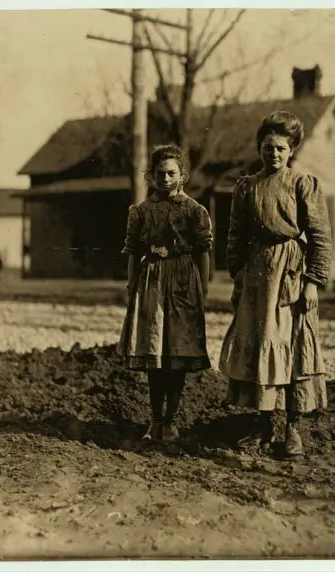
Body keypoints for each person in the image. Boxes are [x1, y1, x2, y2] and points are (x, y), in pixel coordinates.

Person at [218, 110, 333, 457]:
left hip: (291, 276)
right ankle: (266, 426)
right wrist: (237, 277)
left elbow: (320, 237)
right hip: (256, 276)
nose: (274, 153)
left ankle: (293, 429)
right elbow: (235, 236)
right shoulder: (247, 187)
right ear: (259, 147)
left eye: (281, 148)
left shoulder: (302, 184)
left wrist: (313, 282)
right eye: (268, 147)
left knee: (294, 347)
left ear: (292, 150)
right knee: (261, 344)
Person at [117, 144, 213, 442]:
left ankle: (171, 421)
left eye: (172, 173)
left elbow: (203, 252)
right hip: (152, 280)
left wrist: (203, 289)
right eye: (160, 173)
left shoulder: (194, 211)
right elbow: (133, 252)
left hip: (184, 280)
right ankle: (155, 420)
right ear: (150, 176)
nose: (166, 179)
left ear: (182, 176)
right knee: (154, 351)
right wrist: (132, 286)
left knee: (177, 352)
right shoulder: (141, 212)